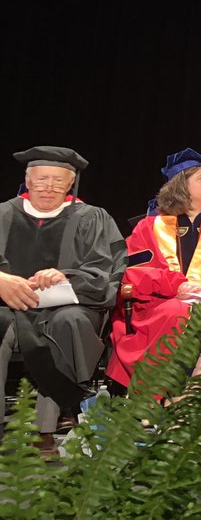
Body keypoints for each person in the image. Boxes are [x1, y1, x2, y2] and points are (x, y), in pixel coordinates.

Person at [0, 146, 126, 455]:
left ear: (70, 184)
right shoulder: (3, 214)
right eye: (42, 179)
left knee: (66, 322)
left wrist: (66, 277)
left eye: (58, 181)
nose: (49, 187)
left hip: (70, 305)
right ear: (27, 181)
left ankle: (45, 430)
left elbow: (107, 271)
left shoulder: (92, 217)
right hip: (5, 307)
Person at [108, 149, 201, 389]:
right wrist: (178, 285)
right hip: (159, 304)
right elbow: (137, 271)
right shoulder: (149, 227)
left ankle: (196, 400)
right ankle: (190, 403)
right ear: (180, 186)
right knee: (182, 314)